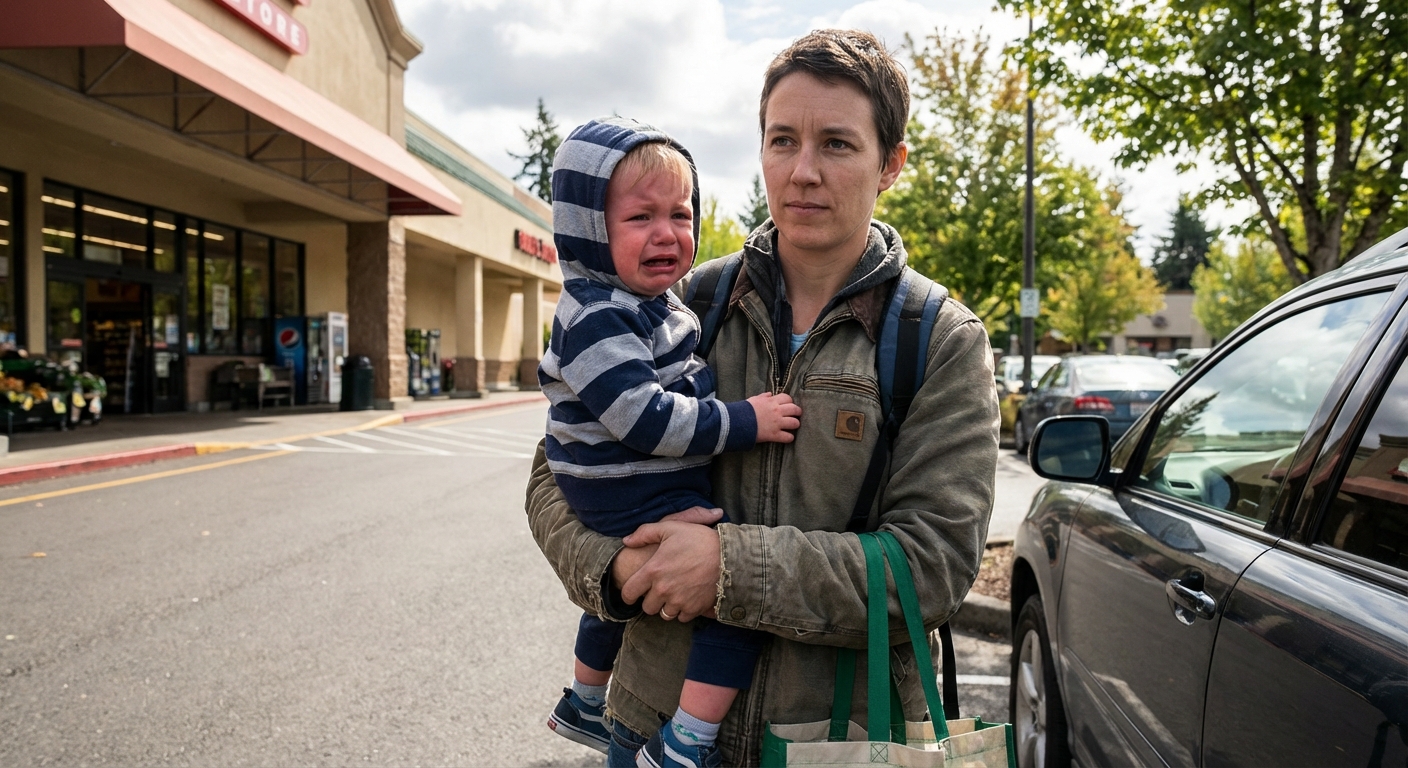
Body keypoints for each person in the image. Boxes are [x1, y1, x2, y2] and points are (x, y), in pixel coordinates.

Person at [526, 29, 999, 766]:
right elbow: (554, 473)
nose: (802, 171)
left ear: (891, 165)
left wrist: (729, 570)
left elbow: (930, 567)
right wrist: (617, 569)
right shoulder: (678, 300)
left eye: (837, 144)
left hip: (838, 742)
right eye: (782, 140)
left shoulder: (939, 338)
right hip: (647, 726)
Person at [538, 117, 803, 768]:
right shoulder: (602, 313)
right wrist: (745, 419)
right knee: (736, 596)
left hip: (614, 486)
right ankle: (686, 742)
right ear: (588, 230)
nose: (667, 233)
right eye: (640, 218)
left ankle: (582, 697)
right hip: (626, 484)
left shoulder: (650, 302)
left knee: (627, 594)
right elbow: (644, 418)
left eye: (681, 215)